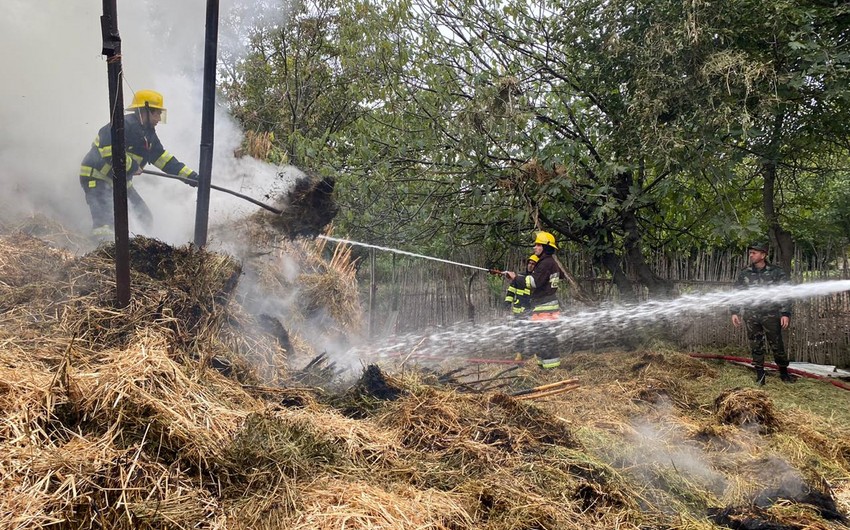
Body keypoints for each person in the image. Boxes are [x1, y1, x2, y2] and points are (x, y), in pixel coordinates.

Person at [79, 89, 199, 240]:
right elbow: (111, 153)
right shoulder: (121, 125)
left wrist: (191, 177)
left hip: (120, 181)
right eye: (157, 113)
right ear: (145, 110)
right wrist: (133, 166)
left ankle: (137, 249)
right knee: (104, 226)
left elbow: (165, 160)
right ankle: (102, 255)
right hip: (96, 178)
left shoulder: (149, 136)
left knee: (144, 216)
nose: (159, 118)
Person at [730, 242, 793, 385]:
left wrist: (785, 313)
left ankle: (784, 372)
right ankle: (760, 374)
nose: (751, 255)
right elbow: (737, 293)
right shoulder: (745, 273)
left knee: (776, 344)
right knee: (755, 344)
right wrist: (734, 311)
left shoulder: (777, 272)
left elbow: (786, 293)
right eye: (750, 252)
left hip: (771, 315)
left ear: (763, 255)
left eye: (754, 252)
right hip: (751, 315)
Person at [505, 232, 564, 369]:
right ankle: (543, 367)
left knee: (545, 339)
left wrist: (515, 277)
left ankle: (551, 369)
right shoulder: (548, 263)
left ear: (545, 247)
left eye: (538, 245)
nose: (535, 247)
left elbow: (533, 282)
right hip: (542, 305)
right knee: (540, 337)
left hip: (546, 306)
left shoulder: (546, 263)